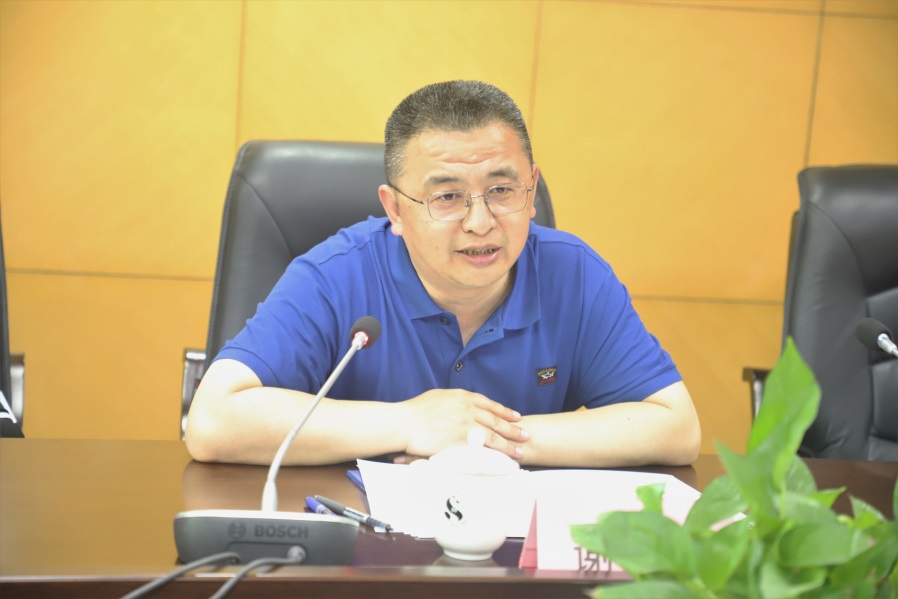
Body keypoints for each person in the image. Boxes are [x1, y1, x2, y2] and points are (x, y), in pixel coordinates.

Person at [186, 80, 701, 468]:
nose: (480, 223)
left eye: (502, 190)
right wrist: (408, 422)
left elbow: (676, 428)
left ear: (531, 189)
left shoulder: (574, 274)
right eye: (448, 196)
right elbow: (212, 421)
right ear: (395, 209)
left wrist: (487, 439)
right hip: (361, 550)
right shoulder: (335, 275)